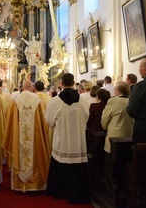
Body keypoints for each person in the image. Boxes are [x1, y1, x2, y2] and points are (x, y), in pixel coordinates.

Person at [44, 73, 91, 204]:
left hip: (61, 141)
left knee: (60, 163)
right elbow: (87, 117)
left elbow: (49, 121)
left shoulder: (55, 101)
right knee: (76, 168)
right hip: (78, 141)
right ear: (73, 82)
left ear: (61, 84)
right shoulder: (83, 100)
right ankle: (77, 193)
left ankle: (59, 191)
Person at [2, 80, 51, 192]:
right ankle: (35, 184)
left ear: (23, 88)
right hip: (35, 138)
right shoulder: (39, 102)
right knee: (36, 153)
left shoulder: (15, 101)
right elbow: (44, 121)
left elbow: (8, 117)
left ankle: (19, 185)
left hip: (18, 136)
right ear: (32, 88)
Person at [101, 81, 134, 153]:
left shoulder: (113, 101)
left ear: (119, 91)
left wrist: (104, 127)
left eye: (115, 89)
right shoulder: (132, 100)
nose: (114, 91)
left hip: (115, 135)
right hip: (129, 134)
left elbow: (105, 118)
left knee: (113, 158)